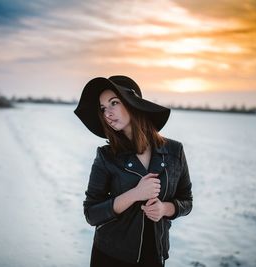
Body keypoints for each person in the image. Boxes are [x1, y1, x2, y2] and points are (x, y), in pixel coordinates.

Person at [74, 75, 193, 267]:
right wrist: (135, 194)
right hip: (110, 256)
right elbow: (91, 213)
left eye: (114, 103)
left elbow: (186, 200)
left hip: (154, 256)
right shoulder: (106, 156)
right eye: (103, 108)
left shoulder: (174, 151)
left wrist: (165, 209)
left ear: (132, 104)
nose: (107, 113)